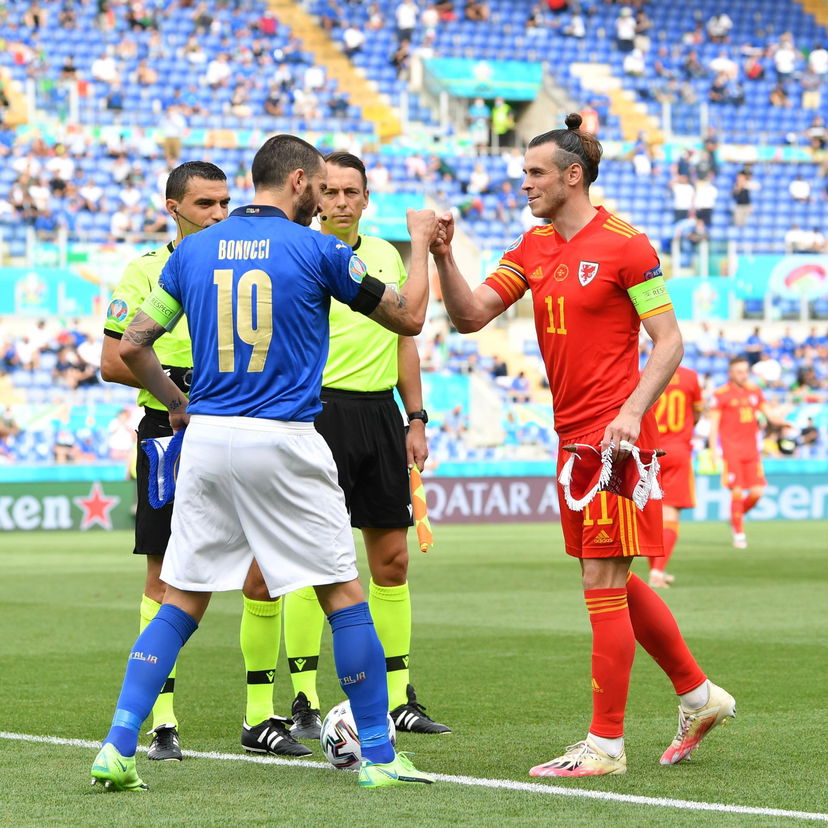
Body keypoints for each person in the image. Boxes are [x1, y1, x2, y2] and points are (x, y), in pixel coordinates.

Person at [90, 133, 437, 792]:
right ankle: (381, 756)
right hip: (283, 437)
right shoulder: (319, 249)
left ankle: (118, 744)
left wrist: (176, 401)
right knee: (344, 593)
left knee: (181, 599)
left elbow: (133, 345)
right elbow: (411, 318)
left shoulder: (191, 252)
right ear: (301, 182)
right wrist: (420, 242)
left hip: (210, 440)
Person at [429, 113, 735, 778]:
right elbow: (469, 316)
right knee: (609, 581)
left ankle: (605, 745)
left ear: (574, 176)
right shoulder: (533, 246)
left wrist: (630, 412)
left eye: (535, 174)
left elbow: (670, 341)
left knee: (603, 580)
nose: (524, 185)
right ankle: (699, 694)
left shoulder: (627, 244)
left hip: (619, 440)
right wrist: (445, 258)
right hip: (573, 439)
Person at [101, 161, 312, 763]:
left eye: (224, 203)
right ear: (173, 208)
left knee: (264, 572)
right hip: (171, 428)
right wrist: (178, 393)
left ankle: (259, 717)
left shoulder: (246, 260)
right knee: (165, 575)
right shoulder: (145, 269)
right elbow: (115, 359)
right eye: (204, 205)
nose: (219, 214)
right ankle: (161, 721)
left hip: (241, 422)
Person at [283, 152, 450, 739]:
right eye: (330, 191)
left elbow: (406, 340)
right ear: (315, 196)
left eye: (352, 191)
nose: (341, 201)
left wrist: (417, 418)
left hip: (380, 413)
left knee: (392, 561)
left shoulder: (383, 254)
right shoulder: (299, 251)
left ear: (365, 199)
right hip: (316, 411)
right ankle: (303, 696)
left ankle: (399, 696)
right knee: (310, 562)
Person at [707, 356, 781, 549]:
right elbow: (714, 425)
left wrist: (782, 421)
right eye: (739, 371)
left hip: (752, 452)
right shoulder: (721, 394)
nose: (743, 375)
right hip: (732, 452)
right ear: (731, 373)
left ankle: (735, 517)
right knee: (737, 493)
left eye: (745, 371)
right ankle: (739, 534)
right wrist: (713, 450)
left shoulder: (755, 391)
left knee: (757, 493)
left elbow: (770, 415)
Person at [648, 365, 703, 588]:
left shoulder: (645, 374)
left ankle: (655, 570)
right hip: (678, 451)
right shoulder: (690, 376)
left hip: (650, 451)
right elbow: (697, 412)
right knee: (670, 514)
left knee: (653, 515)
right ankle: (657, 573)